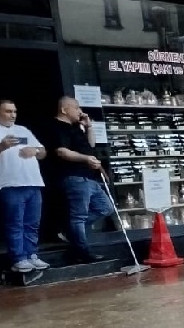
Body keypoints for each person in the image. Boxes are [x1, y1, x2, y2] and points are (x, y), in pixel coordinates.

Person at [46, 97, 108, 263]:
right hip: (74, 176)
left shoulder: (75, 127)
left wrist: (88, 127)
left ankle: (69, 231)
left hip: (90, 176)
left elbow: (91, 145)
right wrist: (86, 159)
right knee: (79, 216)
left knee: (104, 207)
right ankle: (81, 251)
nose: (80, 111)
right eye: (76, 107)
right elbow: (62, 152)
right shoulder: (57, 126)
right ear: (64, 109)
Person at [0, 100, 48, 273]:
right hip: (10, 184)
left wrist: (34, 151)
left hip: (33, 182)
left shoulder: (22, 130)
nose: (12, 115)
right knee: (15, 223)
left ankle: (32, 255)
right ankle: (18, 258)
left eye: (14, 111)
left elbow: (43, 152)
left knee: (32, 223)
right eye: (7, 111)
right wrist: (2, 146)